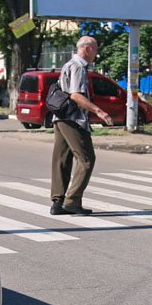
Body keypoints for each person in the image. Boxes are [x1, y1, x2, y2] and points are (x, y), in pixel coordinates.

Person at [50, 36, 111, 216]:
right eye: (96, 48)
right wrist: (99, 111)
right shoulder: (77, 67)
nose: (96, 52)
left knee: (61, 159)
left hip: (60, 117)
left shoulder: (69, 64)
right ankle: (72, 201)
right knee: (86, 159)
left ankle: (58, 201)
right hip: (73, 118)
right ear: (88, 49)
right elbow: (76, 95)